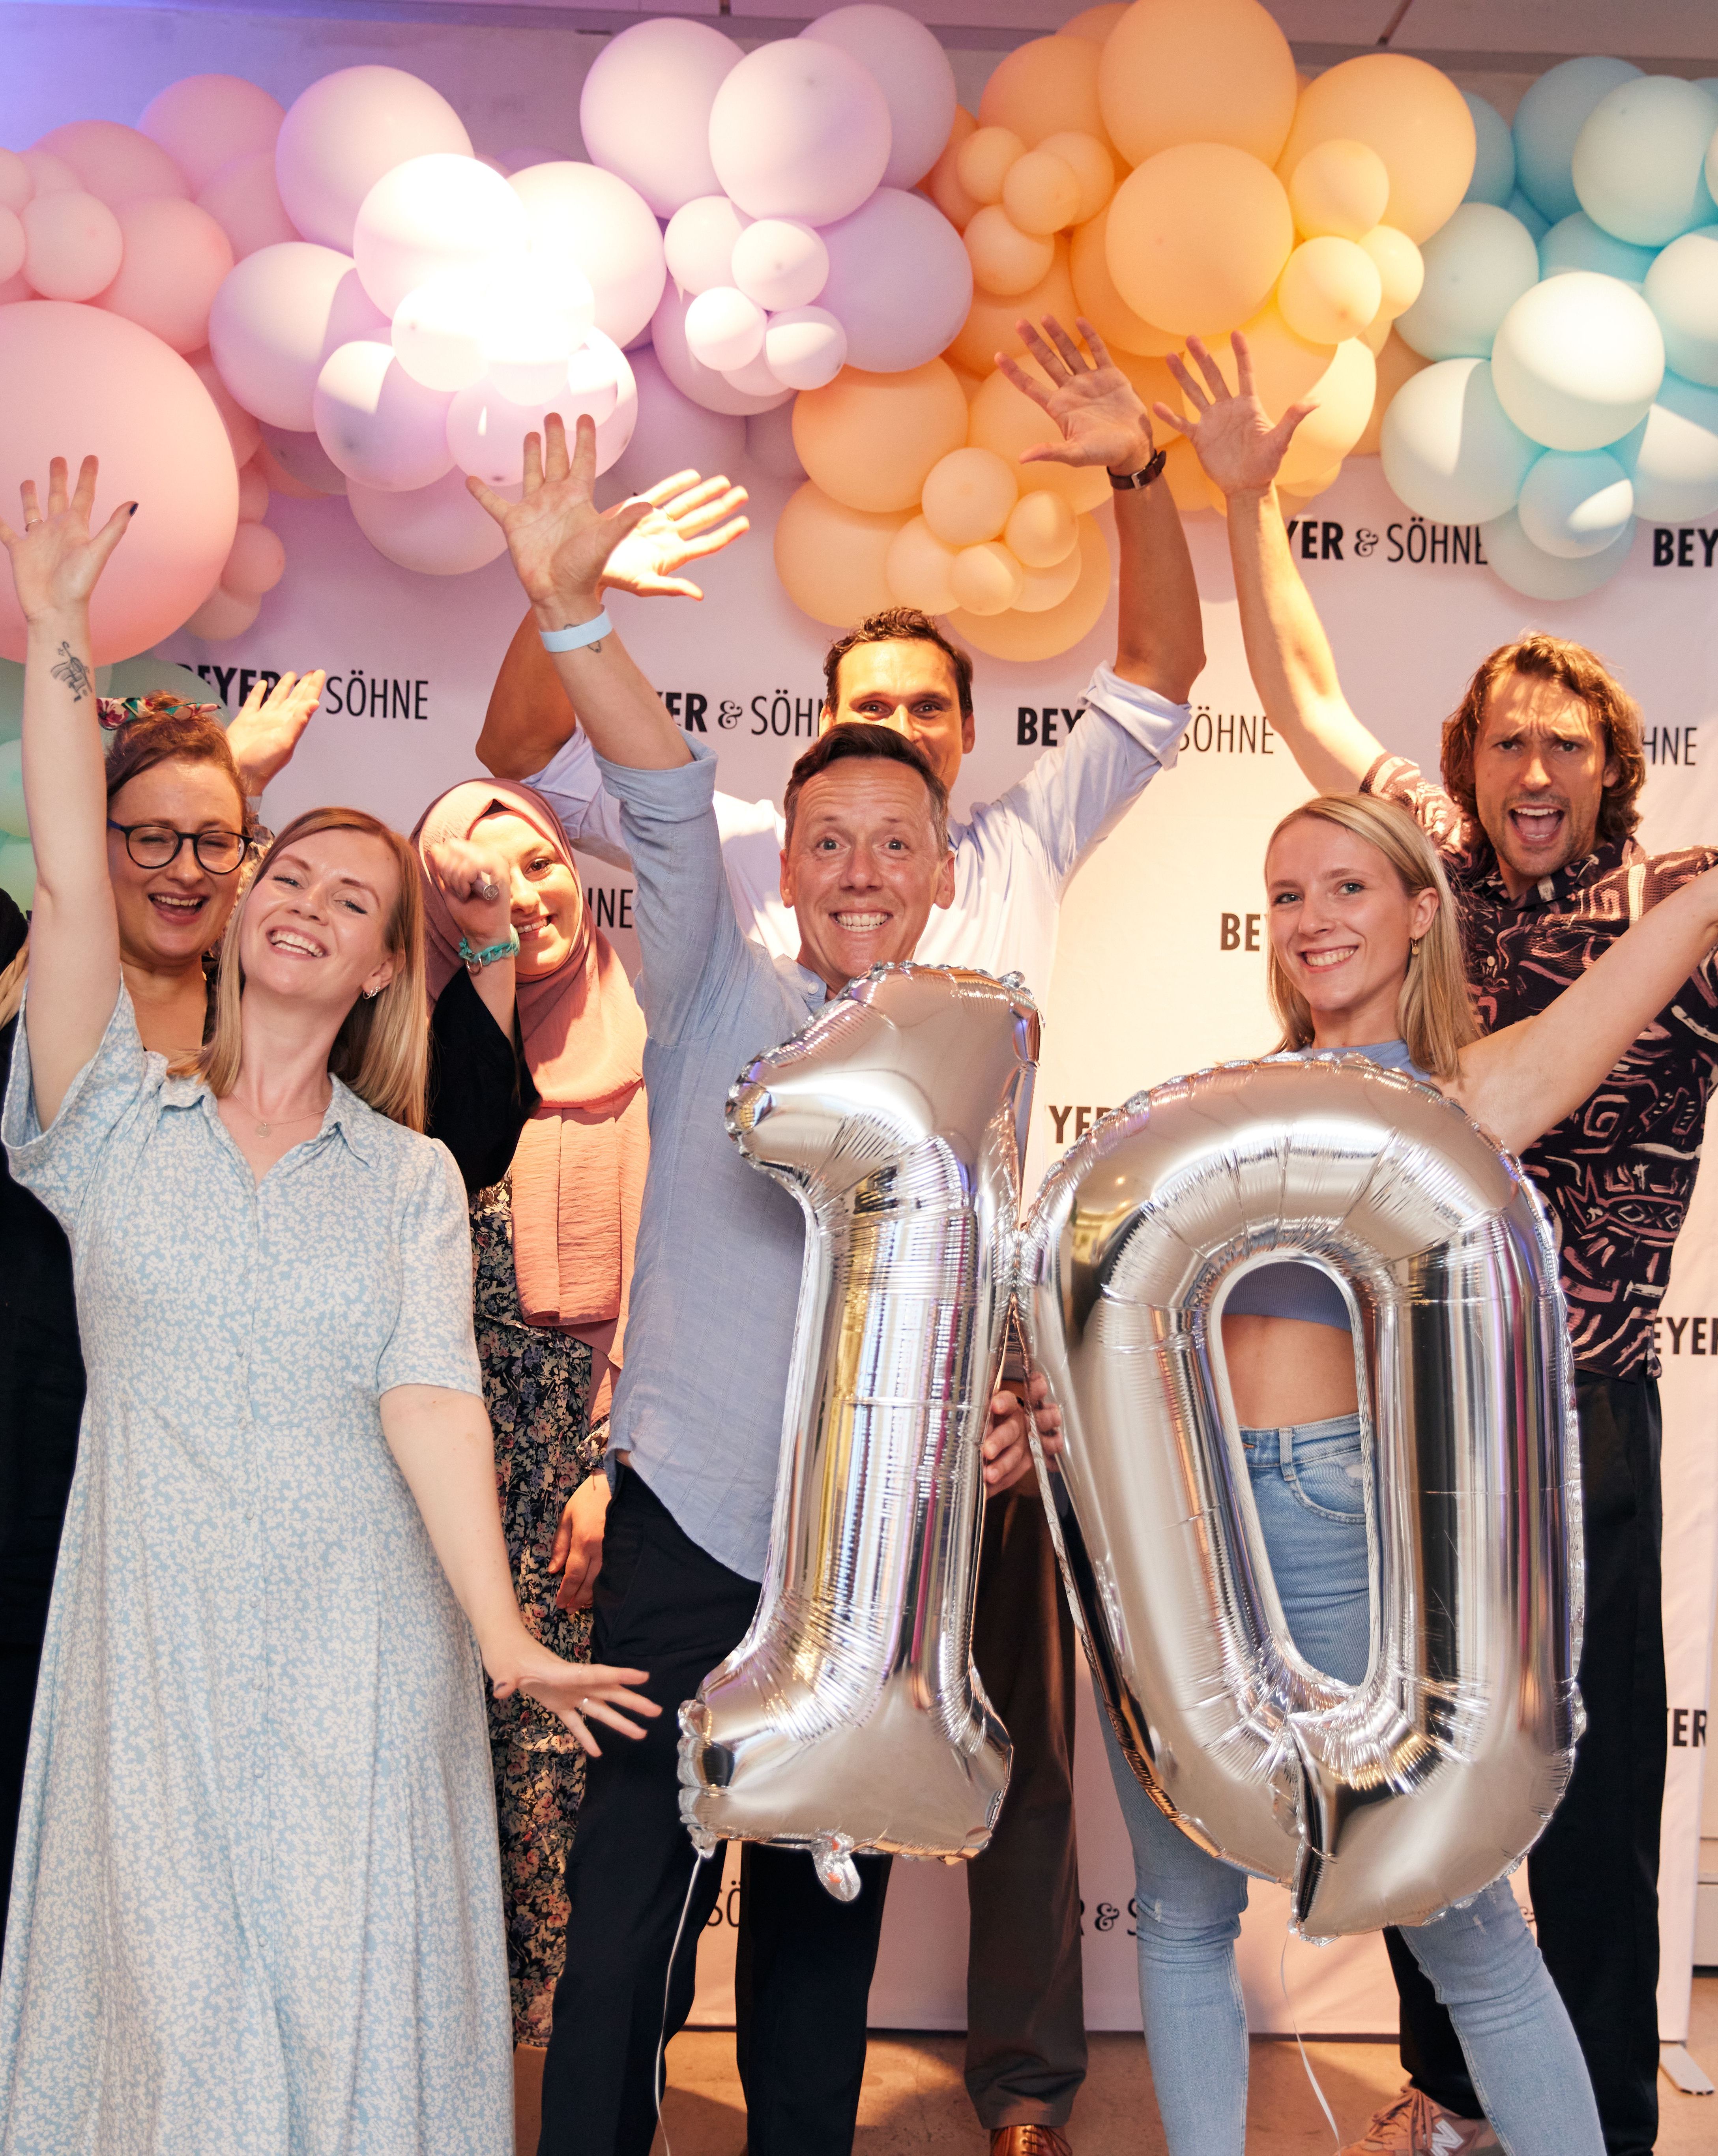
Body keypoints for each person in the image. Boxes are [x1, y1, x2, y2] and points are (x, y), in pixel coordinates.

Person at [476, 314, 1207, 2156]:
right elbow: (638, 780)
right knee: (636, 1919)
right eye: (831, 841)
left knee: (825, 1937)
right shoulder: (722, 979)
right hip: (690, 1515)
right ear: (781, 864)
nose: (864, 865)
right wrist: (573, 611)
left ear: (948, 862)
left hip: (894, 1539)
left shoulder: (978, 1000)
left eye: (899, 839)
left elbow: (1165, 678)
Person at [0, 453, 658, 2152]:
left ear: (385, 965)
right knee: (181, 2009)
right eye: (282, 876)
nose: (300, 901)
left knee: (338, 1994)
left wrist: (505, 1638)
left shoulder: (410, 1179)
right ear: (232, 920)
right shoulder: (107, 1124)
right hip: (157, 1630)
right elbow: (73, 883)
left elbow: (430, 1400)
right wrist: (57, 635)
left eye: (348, 899)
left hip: (364, 1645)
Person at [1168, 332, 1718, 2156]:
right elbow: (1308, 688)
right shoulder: (1428, 900)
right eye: (1507, 741)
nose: (1533, 767)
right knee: (1411, 1782)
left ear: (1611, 768)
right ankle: (1471, 2107)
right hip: (1403, 1428)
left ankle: (1612, 2129)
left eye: (1568, 743)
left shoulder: (1676, 927)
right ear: (1467, 770)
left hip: (1582, 1418)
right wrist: (1247, 505)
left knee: (1599, 1792)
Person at [1106, 785, 1718, 2156]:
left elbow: (1640, 970)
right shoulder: (1229, 1103)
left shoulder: (1463, 1091)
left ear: (1419, 912)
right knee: (1183, 1912)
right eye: (1285, 896)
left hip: (1337, 1523)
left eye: (1346, 889)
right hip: (1177, 1521)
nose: (1311, 921)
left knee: (1461, 1920)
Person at [0, 666, 325, 1962]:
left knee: (168, 1862)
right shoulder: (38, 998)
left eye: (217, 841)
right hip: (35, 1472)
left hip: (212, 1492)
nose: (185, 869)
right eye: (152, 838)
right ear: (99, 845)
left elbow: (452, 1126)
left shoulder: (283, 1022)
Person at [414, 778, 648, 2047]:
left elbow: (680, 1281)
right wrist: (486, 970)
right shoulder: (412, 1052)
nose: (526, 894)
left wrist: (611, 1465)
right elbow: (449, 1158)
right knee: (446, 1809)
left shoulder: (658, 1035)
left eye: (544, 865)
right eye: (483, 878)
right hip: (448, 1484)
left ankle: (570, 2101)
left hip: (590, 1483)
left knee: (568, 1817)